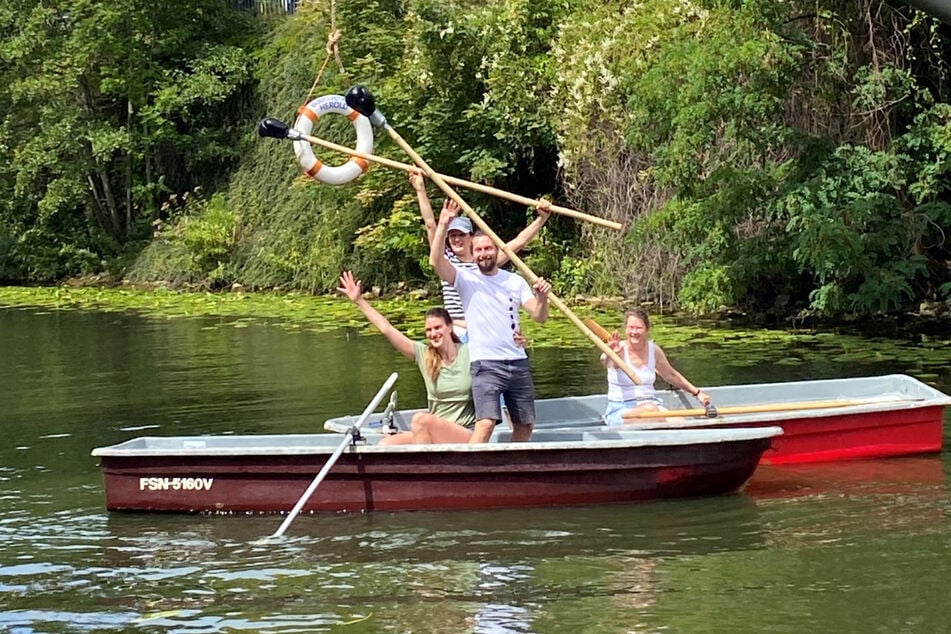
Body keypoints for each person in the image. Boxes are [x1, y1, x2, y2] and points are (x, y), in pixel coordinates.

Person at [429, 204, 552, 443]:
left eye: (488, 248)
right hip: (486, 364)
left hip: (517, 361)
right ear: (473, 254)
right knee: (484, 424)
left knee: (525, 425)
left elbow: (539, 316)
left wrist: (543, 297)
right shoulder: (464, 278)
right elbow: (435, 262)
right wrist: (443, 223)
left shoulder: (514, 281)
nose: (483, 253)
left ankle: (512, 471)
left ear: (496, 251)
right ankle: (471, 474)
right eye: (479, 250)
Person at [338, 271, 473, 445]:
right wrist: (359, 300)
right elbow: (386, 329)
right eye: (429, 330)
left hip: (464, 432)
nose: (433, 334)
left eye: (437, 328)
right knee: (386, 445)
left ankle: (426, 469)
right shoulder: (424, 354)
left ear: (449, 327)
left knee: (419, 420)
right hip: (433, 432)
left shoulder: (470, 352)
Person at [410, 171, 551, 338]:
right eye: (453, 235)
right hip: (456, 329)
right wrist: (420, 189)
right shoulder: (445, 259)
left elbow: (519, 241)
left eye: (461, 235)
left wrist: (541, 219)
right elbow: (430, 225)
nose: (456, 239)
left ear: (471, 237)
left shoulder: (485, 261)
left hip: (483, 328)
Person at [600, 309, 712, 426]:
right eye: (631, 328)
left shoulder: (654, 350)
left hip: (652, 406)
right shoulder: (618, 349)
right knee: (650, 410)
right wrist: (613, 353)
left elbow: (671, 375)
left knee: (680, 422)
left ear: (647, 329)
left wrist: (697, 393)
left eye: (639, 328)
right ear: (625, 329)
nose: (634, 332)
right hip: (622, 410)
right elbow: (606, 362)